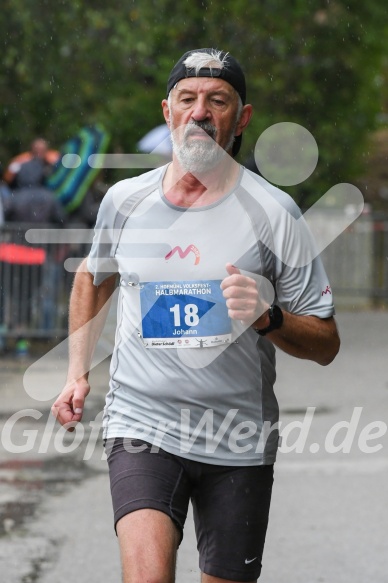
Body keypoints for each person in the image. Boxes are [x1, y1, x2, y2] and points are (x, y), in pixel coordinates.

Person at [52, 48, 340, 583]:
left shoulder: (274, 213)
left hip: (238, 437)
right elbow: (93, 276)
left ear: (242, 118)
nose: (200, 112)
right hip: (143, 424)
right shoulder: (126, 201)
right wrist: (75, 373)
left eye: (217, 100)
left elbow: (326, 340)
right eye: (188, 99)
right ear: (168, 112)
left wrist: (267, 317)